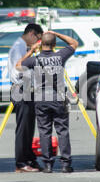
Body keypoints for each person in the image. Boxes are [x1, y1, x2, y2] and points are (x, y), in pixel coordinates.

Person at [16, 30, 78, 173]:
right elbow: (74, 43)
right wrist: (57, 33)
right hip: (58, 98)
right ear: (54, 44)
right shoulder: (60, 56)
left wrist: (31, 51)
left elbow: (18, 65)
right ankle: (65, 164)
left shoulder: (34, 60)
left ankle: (48, 164)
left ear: (41, 44)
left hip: (41, 99)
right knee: (62, 131)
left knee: (44, 131)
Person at [8, 23, 44, 173]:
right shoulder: (19, 46)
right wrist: (32, 53)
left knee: (29, 127)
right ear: (31, 33)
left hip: (28, 90)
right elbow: (18, 69)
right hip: (20, 89)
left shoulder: (23, 46)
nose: (37, 43)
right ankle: (21, 162)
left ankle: (30, 158)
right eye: (37, 39)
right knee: (23, 128)